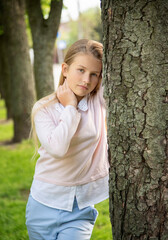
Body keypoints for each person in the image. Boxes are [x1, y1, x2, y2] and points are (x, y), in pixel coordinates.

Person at [26, 39, 109, 240]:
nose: (86, 80)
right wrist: (70, 107)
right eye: (80, 70)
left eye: (94, 74)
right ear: (65, 69)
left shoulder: (98, 102)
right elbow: (58, 148)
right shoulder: (43, 108)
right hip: (43, 204)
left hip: (79, 209)